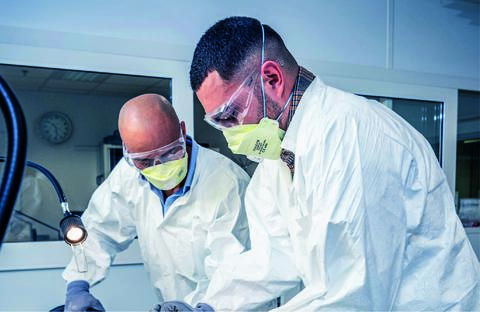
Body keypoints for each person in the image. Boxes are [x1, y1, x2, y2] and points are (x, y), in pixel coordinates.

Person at [185, 16, 480, 311]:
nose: (229, 133)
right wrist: (206, 305)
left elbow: (352, 295)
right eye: (218, 122)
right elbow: (271, 256)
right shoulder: (278, 161)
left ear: (271, 78)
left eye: (230, 114)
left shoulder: (353, 136)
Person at [62, 94, 250, 311]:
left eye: (170, 153)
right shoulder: (128, 174)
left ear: (182, 130)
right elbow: (99, 229)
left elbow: (232, 269)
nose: (159, 166)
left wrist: (203, 308)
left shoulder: (227, 182)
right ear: (127, 150)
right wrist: (77, 285)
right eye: (145, 160)